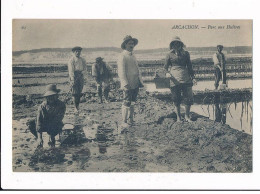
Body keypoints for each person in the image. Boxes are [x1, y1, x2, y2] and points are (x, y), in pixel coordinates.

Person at [164, 36, 195, 122]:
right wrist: (167, 73)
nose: (176, 45)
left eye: (178, 43)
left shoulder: (186, 54)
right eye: (174, 44)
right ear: (172, 45)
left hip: (185, 77)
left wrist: (193, 77)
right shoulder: (169, 54)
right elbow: (165, 67)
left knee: (188, 97)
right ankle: (178, 117)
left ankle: (187, 116)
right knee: (176, 97)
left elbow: (189, 66)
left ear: (181, 45)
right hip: (174, 78)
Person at [117, 35, 144, 127]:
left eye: (132, 44)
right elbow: (121, 71)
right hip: (128, 83)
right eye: (129, 44)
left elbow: (137, 69)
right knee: (126, 101)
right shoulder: (122, 56)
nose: (131, 45)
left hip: (135, 82)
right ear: (125, 45)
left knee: (133, 101)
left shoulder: (133, 55)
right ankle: (124, 121)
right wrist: (125, 83)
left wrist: (140, 81)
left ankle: (131, 119)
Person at [68, 46, 88, 113]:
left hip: (81, 76)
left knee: (79, 92)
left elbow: (85, 68)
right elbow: (71, 70)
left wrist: (83, 74)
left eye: (79, 51)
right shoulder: (71, 60)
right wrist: (72, 79)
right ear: (73, 52)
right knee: (74, 93)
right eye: (76, 51)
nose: (78, 53)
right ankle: (75, 107)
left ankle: (78, 106)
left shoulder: (83, 60)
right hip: (74, 76)